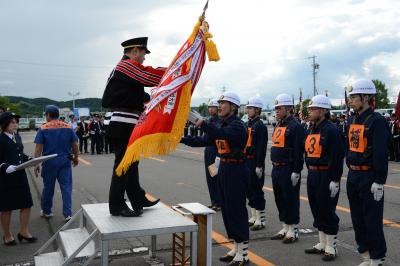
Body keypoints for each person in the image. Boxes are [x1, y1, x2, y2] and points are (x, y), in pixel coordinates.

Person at [102, 37, 164, 217]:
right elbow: (150, 75)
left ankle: (137, 198)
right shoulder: (127, 66)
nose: (144, 58)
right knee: (123, 163)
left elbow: (135, 92)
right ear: (135, 50)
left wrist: (150, 98)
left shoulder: (125, 69)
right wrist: (176, 70)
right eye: (144, 53)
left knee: (132, 163)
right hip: (122, 122)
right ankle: (117, 205)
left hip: (126, 121)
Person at [193, 92, 249, 265]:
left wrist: (203, 124)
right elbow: (205, 140)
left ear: (233, 107)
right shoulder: (222, 124)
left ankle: (244, 253)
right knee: (226, 209)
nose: (219, 106)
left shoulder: (237, 125)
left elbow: (220, 134)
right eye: (219, 103)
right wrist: (179, 139)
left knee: (237, 209)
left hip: (236, 168)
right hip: (224, 167)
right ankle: (235, 245)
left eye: (223, 103)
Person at [346, 79, 388, 266]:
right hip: (353, 175)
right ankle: (366, 255)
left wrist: (379, 181)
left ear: (366, 97)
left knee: (372, 220)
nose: (351, 100)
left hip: (369, 176)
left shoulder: (377, 121)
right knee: (357, 219)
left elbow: (381, 153)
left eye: (354, 97)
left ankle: (377, 257)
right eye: (351, 96)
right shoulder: (352, 120)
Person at [303, 95, 344, 261]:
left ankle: (331, 246)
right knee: (316, 208)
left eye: (313, 109)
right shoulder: (311, 128)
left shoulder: (332, 130)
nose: (310, 112)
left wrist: (335, 179)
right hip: (313, 173)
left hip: (326, 174)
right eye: (310, 109)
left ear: (323, 110)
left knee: (327, 209)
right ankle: (321, 242)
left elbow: (337, 156)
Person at [34, 105, 79, 221]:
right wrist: (76, 158)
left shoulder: (43, 128)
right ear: (58, 115)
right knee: (66, 187)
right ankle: (68, 214)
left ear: (48, 115)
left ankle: (47, 211)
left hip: (49, 161)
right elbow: (74, 144)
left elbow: (38, 147)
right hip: (65, 161)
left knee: (48, 187)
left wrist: (36, 164)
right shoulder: (68, 126)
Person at [270, 93, 305, 244]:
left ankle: (293, 228)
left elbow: (298, 150)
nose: (277, 111)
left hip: (288, 168)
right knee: (280, 198)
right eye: (276, 108)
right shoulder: (279, 124)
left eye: (280, 108)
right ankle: (285, 225)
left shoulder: (295, 126)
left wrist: (297, 170)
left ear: (289, 108)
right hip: (276, 167)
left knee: (290, 198)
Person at [0, 112, 37, 245]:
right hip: (6, 178)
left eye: (16, 122)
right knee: (6, 208)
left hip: (20, 176)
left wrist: (31, 160)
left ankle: (23, 231)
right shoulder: (1, 139)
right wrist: (4, 167)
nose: (16, 125)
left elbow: (20, 153)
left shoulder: (17, 136)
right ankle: (7, 235)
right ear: (5, 125)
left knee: (26, 204)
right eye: (12, 122)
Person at [181, 99, 221, 211]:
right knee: (210, 178)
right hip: (208, 151)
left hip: (215, 152)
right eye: (209, 107)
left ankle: (218, 202)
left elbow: (208, 139)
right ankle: (214, 201)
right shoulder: (210, 120)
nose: (211, 109)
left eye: (213, 107)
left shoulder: (218, 122)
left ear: (218, 108)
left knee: (215, 178)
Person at [245, 97, 268, 231]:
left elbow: (261, 147)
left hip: (254, 160)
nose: (248, 110)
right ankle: (254, 216)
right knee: (249, 189)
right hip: (246, 160)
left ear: (257, 110)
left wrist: (259, 165)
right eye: (248, 108)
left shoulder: (260, 126)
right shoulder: (249, 124)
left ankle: (261, 218)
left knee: (256, 189)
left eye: (250, 108)